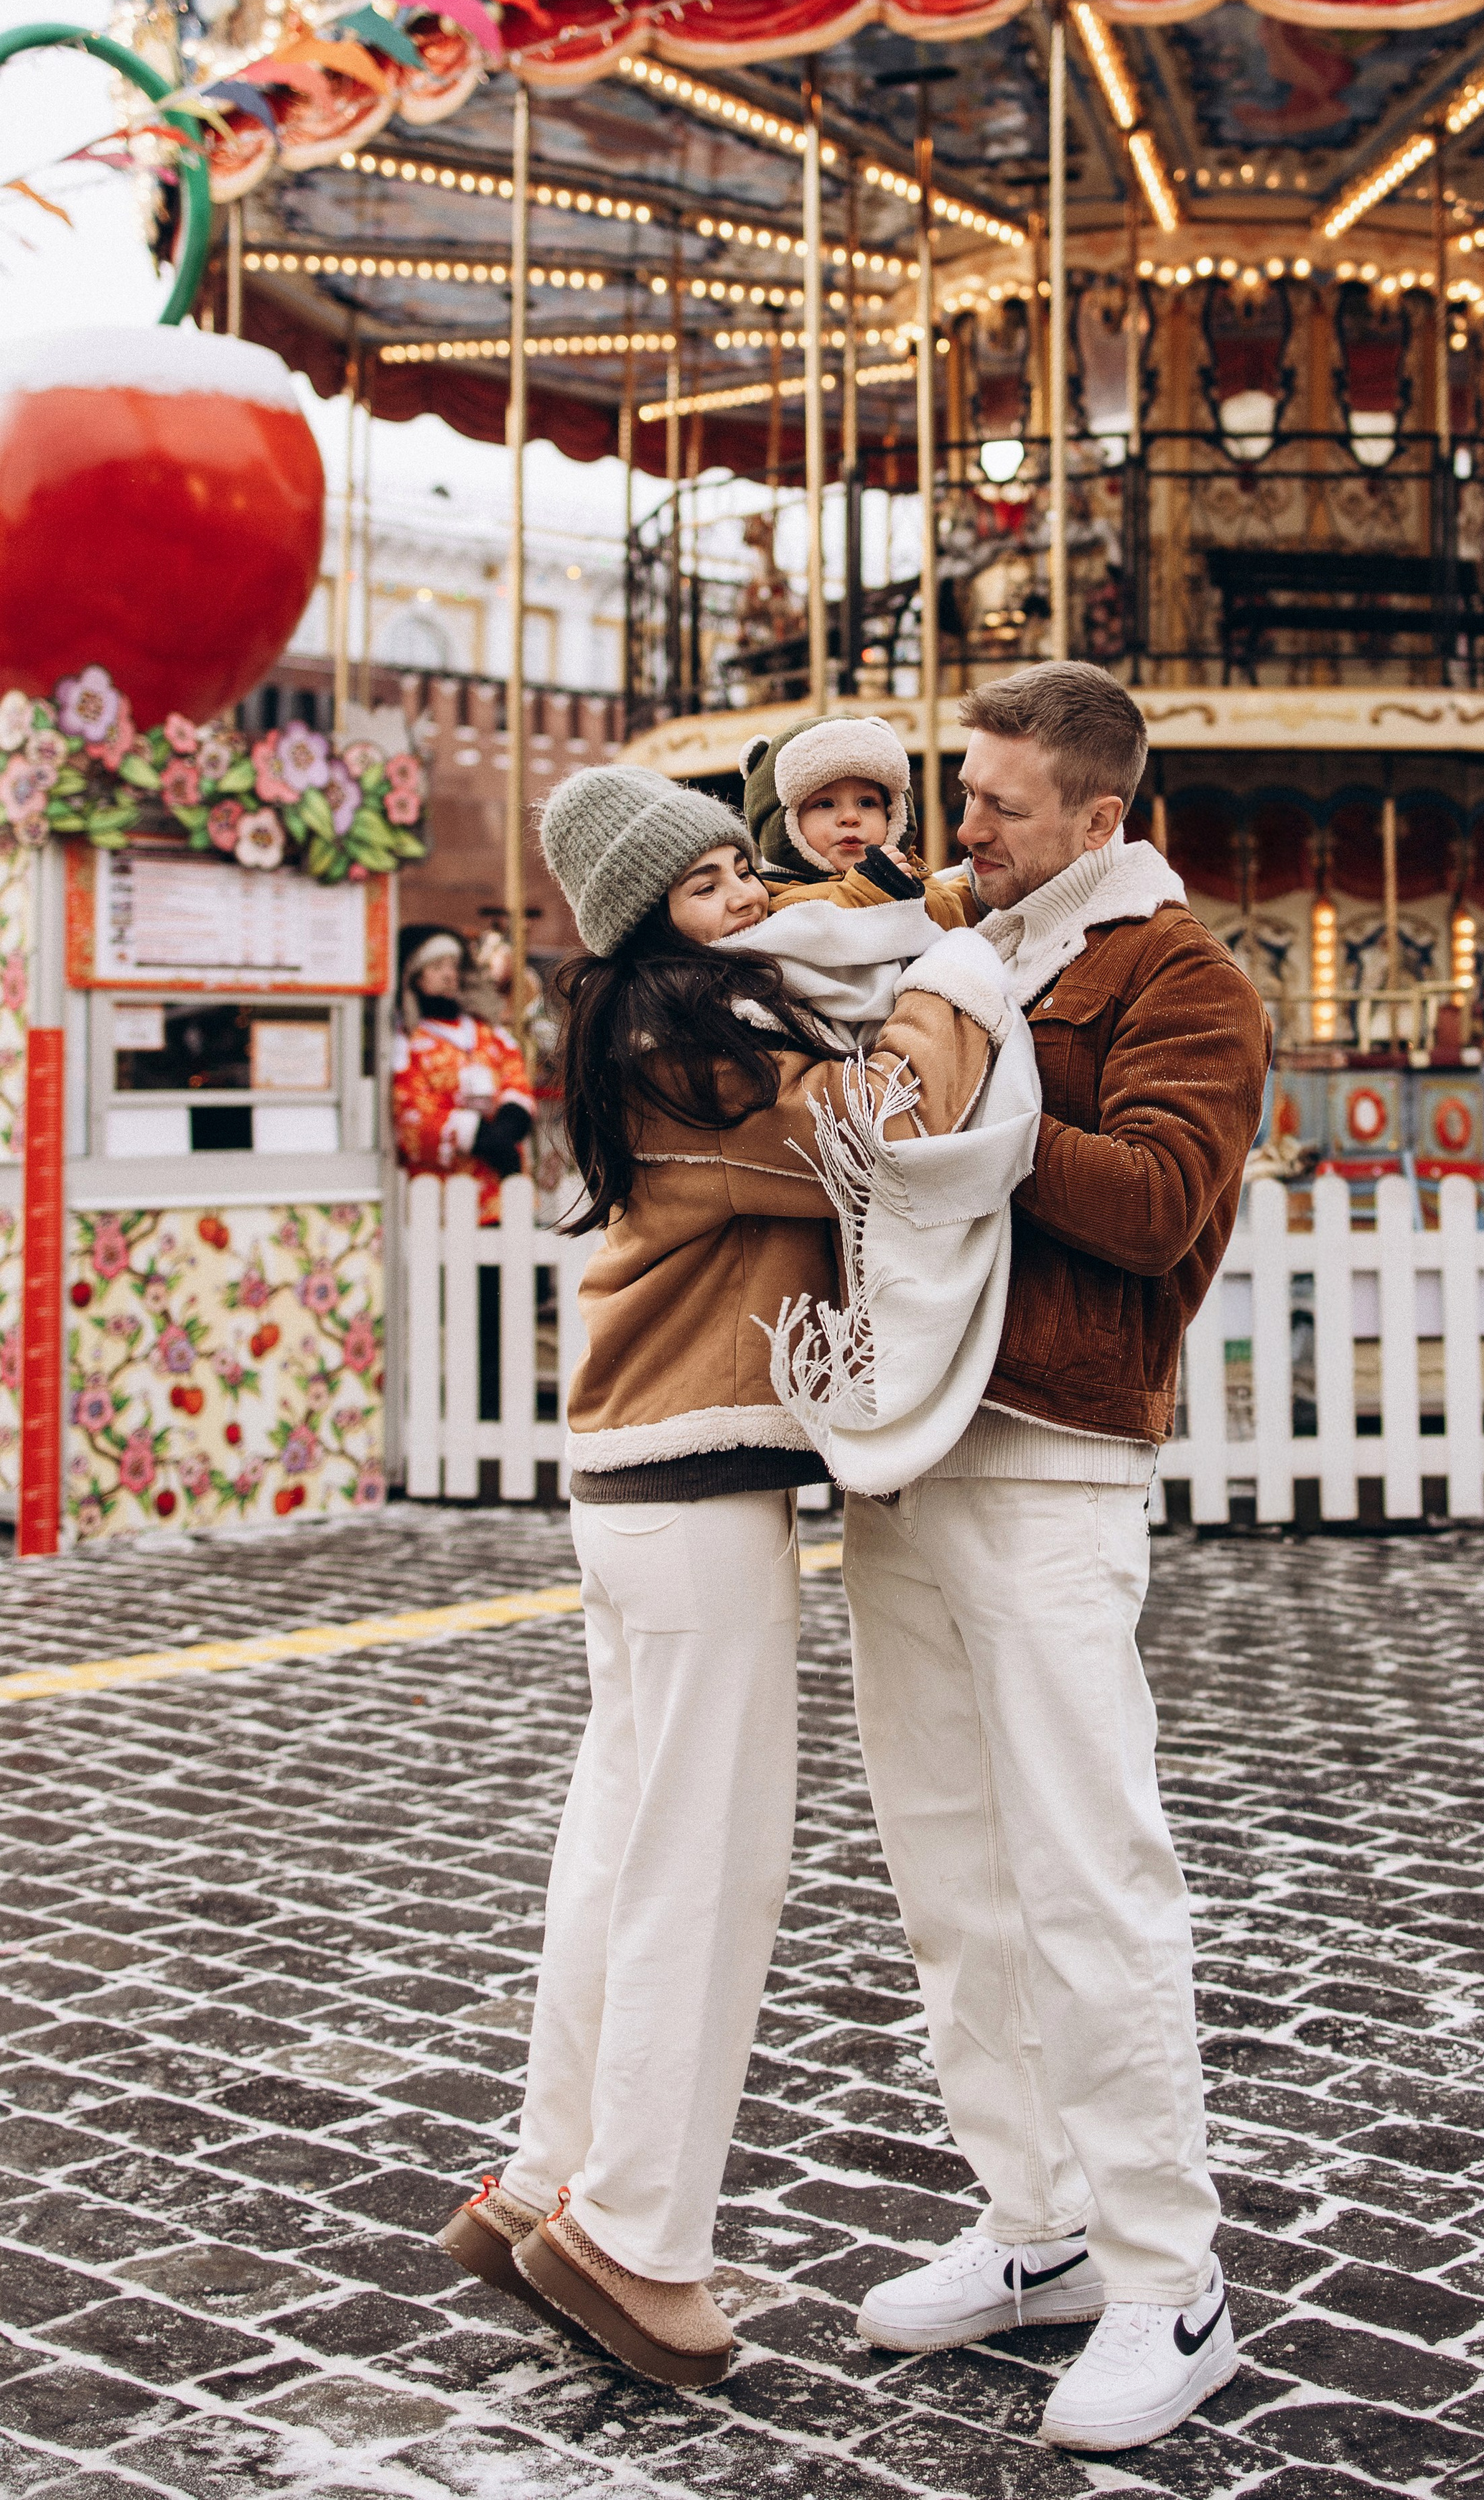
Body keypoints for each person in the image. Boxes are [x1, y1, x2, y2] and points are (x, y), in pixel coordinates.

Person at [437, 765, 1012, 2392]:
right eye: (700, 887)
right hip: (687, 1496)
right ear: (643, 921)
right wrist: (950, 974)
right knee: (709, 1860)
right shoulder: (691, 1042)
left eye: (729, 864)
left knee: (619, 1843)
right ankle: (634, 2236)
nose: (740, 893)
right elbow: (871, 1128)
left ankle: (545, 2173)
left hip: (636, 1488)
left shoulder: (655, 1024)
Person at [844, 663, 1271, 2455]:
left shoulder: (1180, 978)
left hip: (1055, 1456)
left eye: (995, 803)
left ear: (1099, 820)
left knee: (1087, 1873)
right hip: (910, 1448)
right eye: (962, 792)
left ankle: (1169, 2268)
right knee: (949, 1869)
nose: (959, 827)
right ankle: (1035, 2230)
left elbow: (1165, 1201)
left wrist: (972, 1139)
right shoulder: (968, 942)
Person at [742, 712, 975, 925]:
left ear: (893, 813)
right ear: (782, 824)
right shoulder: (775, 905)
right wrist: (870, 890)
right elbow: (823, 935)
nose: (851, 818)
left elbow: (948, 913)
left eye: (867, 803)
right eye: (825, 804)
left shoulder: (907, 870)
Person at [391, 926, 534, 1221]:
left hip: (503, 1190)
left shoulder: (488, 1034)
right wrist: (477, 1135)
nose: (448, 975)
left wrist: (509, 1124)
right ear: (415, 977)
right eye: (436, 967)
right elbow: (409, 1110)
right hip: (443, 1197)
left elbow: (515, 1078)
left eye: (453, 966)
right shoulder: (409, 1043)